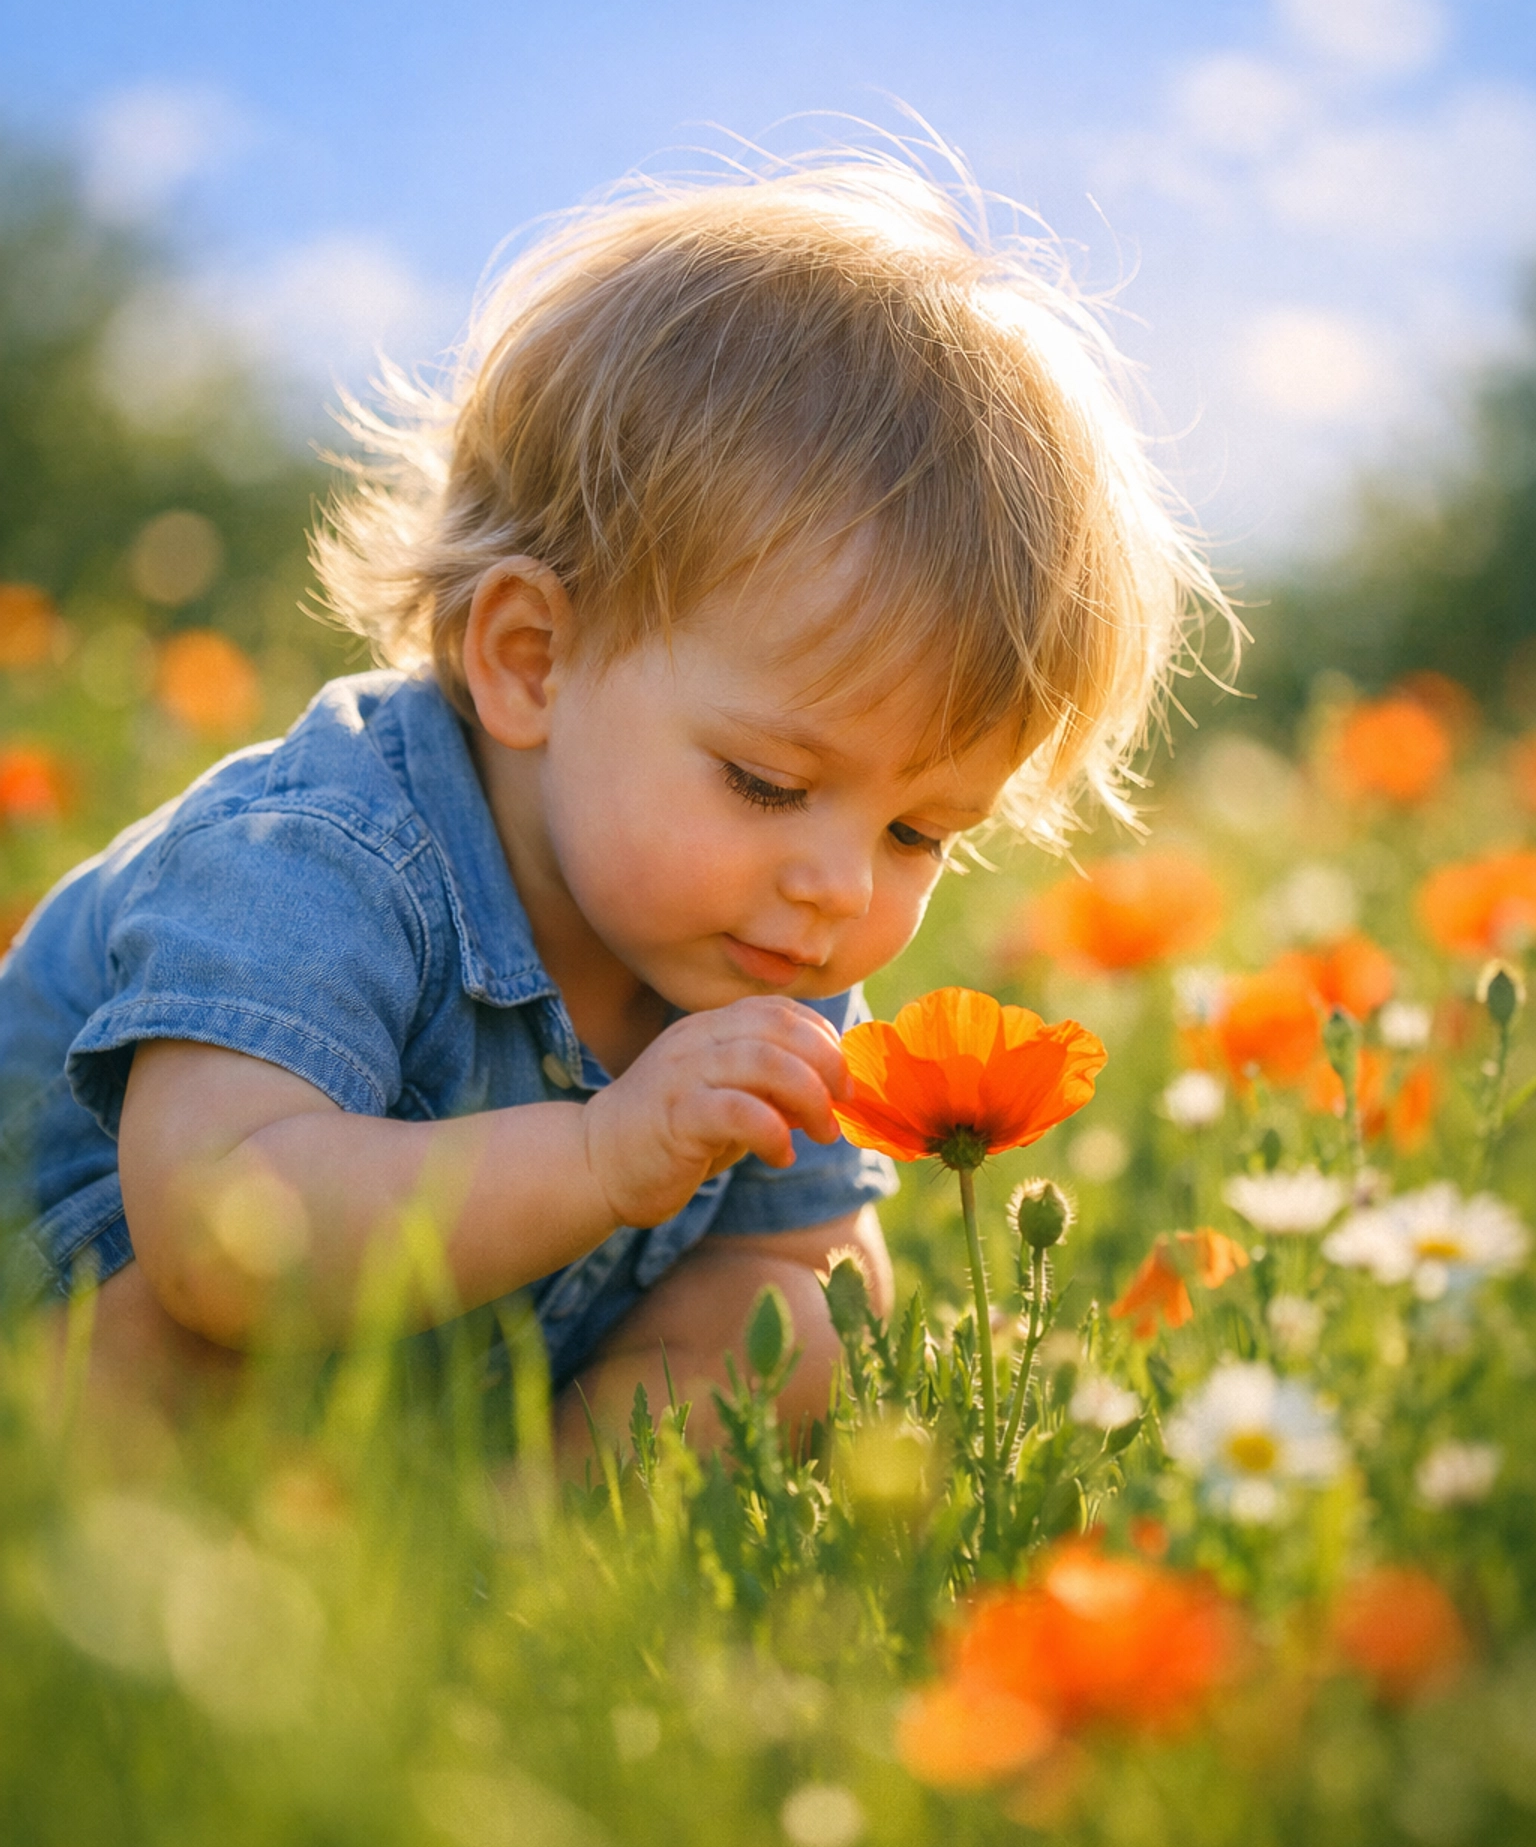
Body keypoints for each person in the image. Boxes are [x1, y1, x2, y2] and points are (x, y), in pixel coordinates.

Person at [0, 153, 1222, 1446]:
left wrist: (789, 1287)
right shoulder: (320, 851)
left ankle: (521, 1566)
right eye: (770, 783)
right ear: (530, 659)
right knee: (177, 1353)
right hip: (109, 1316)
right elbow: (218, 1234)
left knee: (796, 1331)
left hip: (438, 1375)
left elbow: (807, 1255)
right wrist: (600, 1157)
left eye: (919, 832)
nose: (842, 887)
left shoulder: (769, 943)